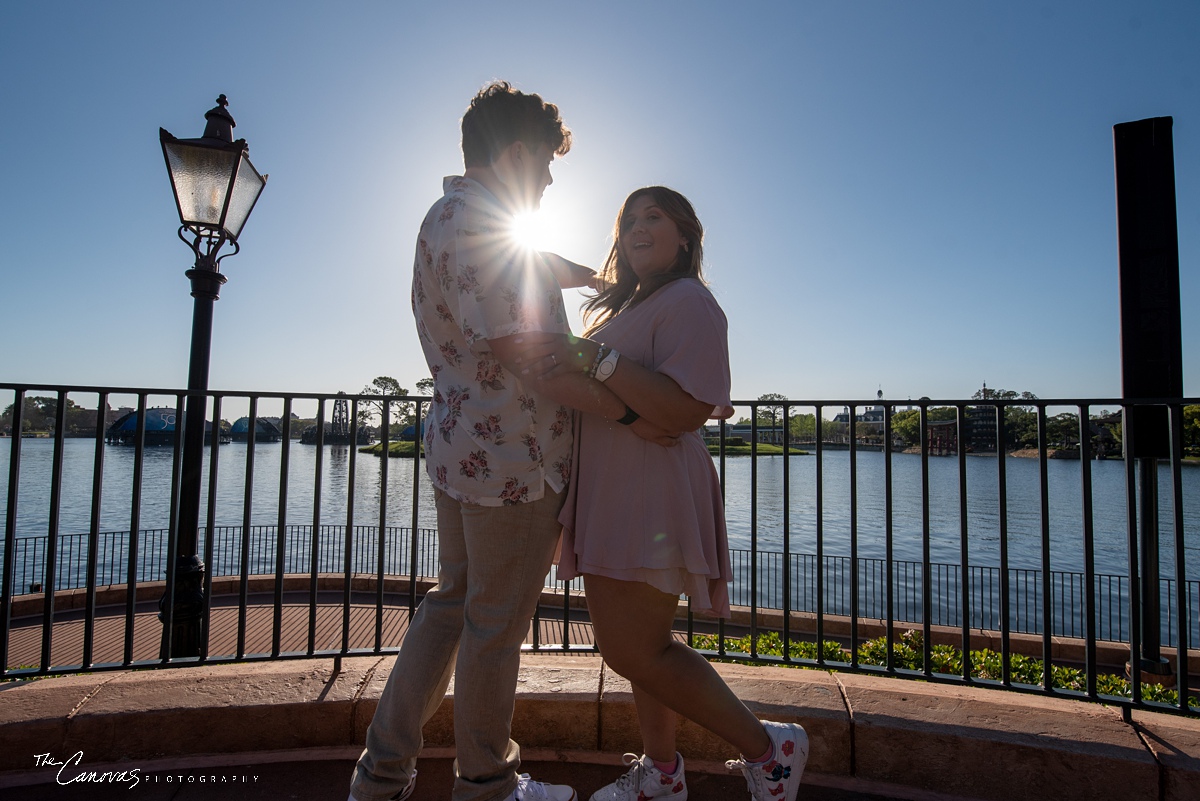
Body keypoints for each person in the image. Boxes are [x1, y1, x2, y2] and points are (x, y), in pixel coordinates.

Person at [348, 81, 619, 801]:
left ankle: (380, 774)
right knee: (494, 626)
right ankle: (486, 783)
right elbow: (522, 344)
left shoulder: (449, 215)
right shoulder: (481, 222)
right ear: (520, 151)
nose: (552, 176)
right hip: (515, 464)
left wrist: (588, 274)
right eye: (548, 162)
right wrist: (624, 390)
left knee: (452, 605)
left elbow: (516, 268)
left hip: (462, 447)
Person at [531, 187, 809, 801]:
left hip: (648, 490)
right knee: (641, 648)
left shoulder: (689, 300)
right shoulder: (629, 307)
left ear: (685, 236)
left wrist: (593, 357)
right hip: (615, 490)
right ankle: (661, 775)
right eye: (628, 219)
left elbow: (686, 409)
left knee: (633, 648)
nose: (636, 226)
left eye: (651, 217)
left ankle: (770, 750)